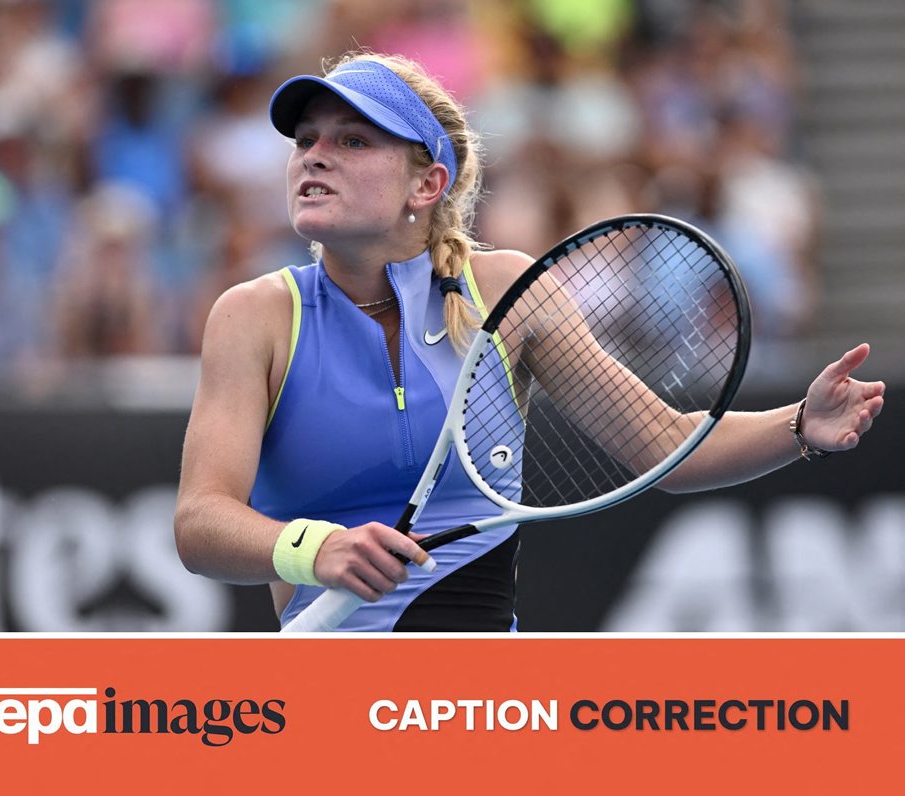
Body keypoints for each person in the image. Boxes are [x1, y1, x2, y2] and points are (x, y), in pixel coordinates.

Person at [173, 51, 885, 632]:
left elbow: (668, 446)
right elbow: (201, 523)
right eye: (305, 141)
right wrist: (312, 548)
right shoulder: (253, 316)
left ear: (428, 184)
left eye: (352, 140)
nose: (314, 158)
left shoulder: (509, 292)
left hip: (489, 707)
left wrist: (801, 425)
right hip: (326, 702)